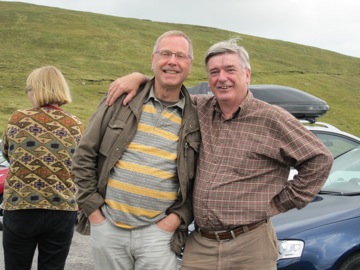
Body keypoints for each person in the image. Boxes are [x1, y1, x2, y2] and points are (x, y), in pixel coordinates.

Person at [106, 38, 334, 269]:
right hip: (201, 243)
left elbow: (320, 159)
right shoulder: (198, 108)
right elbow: (166, 89)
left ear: (247, 74)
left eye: (229, 70)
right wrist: (140, 78)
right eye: (214, 72)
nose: (221, 78)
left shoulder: (272, 118)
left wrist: (279, 203)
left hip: (251, 243)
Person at [71, 30, 200, 270]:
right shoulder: (120, 99)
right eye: (165, 54)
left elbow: (201, 178)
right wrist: (94, 213)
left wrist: (175, 219)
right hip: (108, 226)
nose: (172, 61)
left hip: (159, 235)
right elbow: (84, 154)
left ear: (189, 66)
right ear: (153, 59)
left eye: (180, 56)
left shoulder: (197, 116)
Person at [1, 66, 84, 270]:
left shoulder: (18, 119)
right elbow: (80, 164)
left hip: (21, 206)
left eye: (29, 89)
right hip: (61, 209)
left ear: (36, 89)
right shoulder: (75, 124)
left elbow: (7, 154)